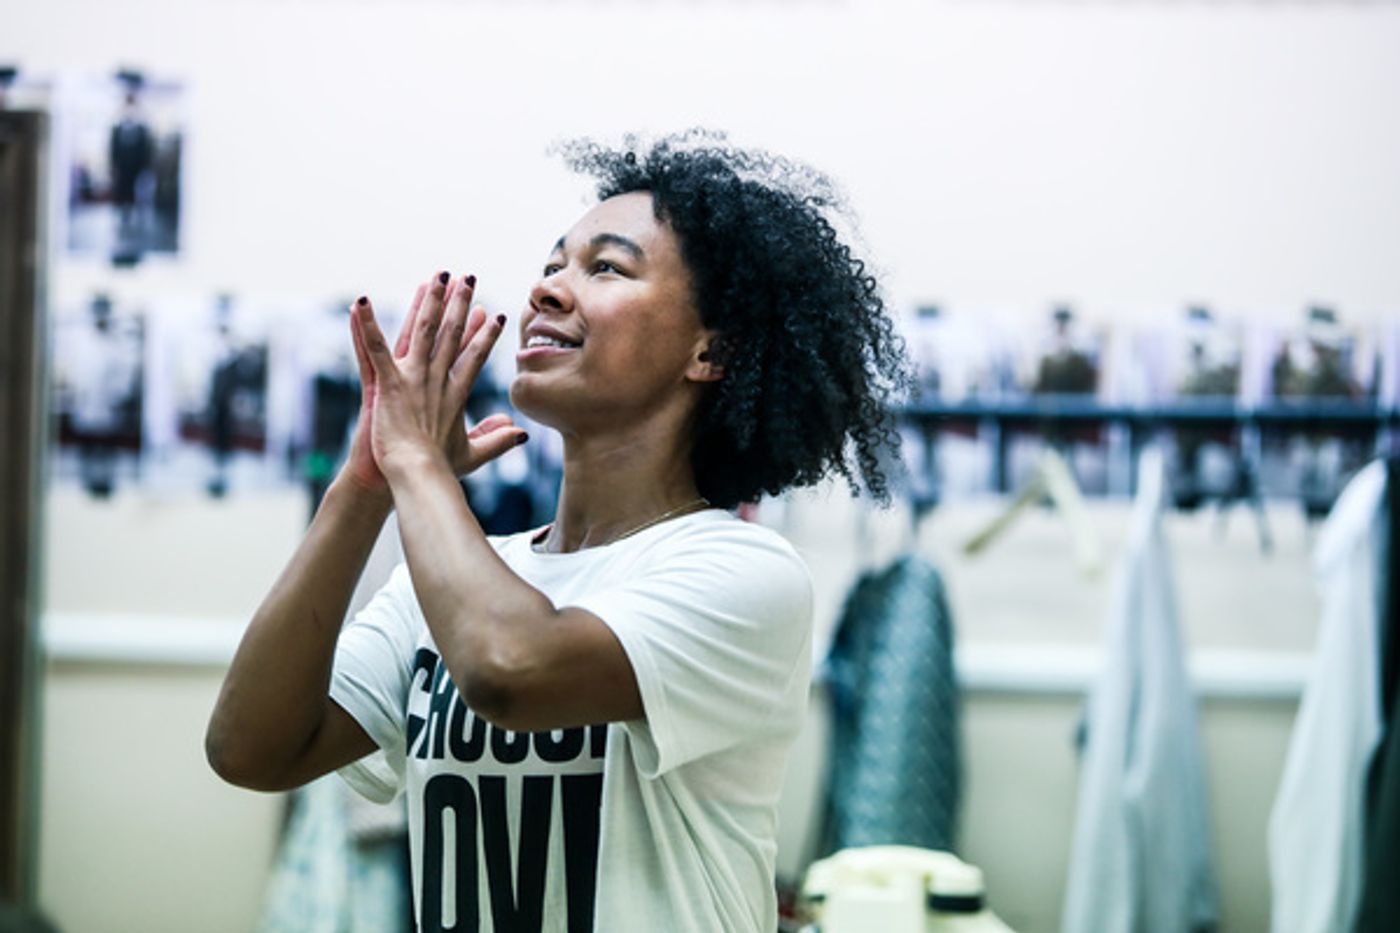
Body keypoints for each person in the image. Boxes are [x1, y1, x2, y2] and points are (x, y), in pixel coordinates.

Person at [206, 131, 910, 932]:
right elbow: (252, 747)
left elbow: (511, 668)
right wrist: (364, 486)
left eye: (605, 268)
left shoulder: (745, 573)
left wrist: (418, 468)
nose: (548, 292)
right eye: (551, 267)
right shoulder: (460, 577)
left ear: (711, 348)